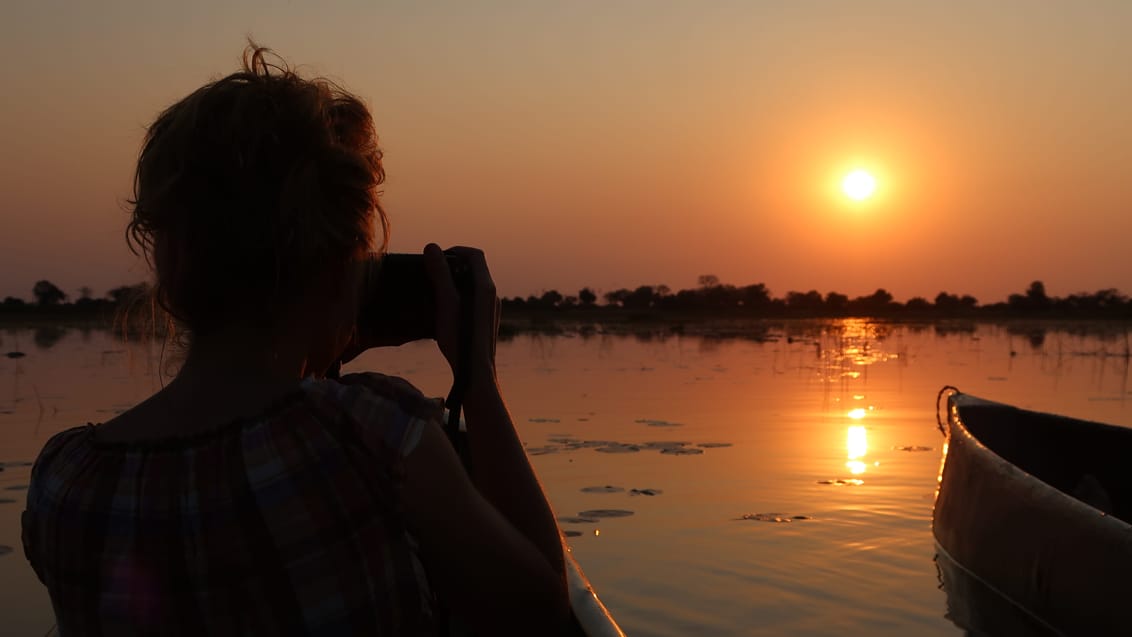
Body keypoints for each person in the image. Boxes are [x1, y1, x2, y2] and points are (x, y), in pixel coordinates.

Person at [21, 45, 570, 635]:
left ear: (170, 267)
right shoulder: (373, 433)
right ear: (340, 268)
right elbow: (540, 612)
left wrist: (316, 354)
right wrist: (477, 380)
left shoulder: (66, 480)